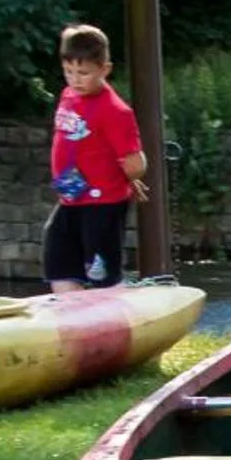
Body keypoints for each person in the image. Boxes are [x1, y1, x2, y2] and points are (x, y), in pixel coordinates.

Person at [44, 24, 149, 291]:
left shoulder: (115, 111)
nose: (75, 80)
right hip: (71, 195)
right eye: (68, 72)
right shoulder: (68, 95)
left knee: (101, 269)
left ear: (104, 69)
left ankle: (115, 302)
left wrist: (131, 176)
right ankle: (70, 307)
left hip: (101, 202)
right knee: (59, 258)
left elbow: (135, 163)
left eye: (84, 73)